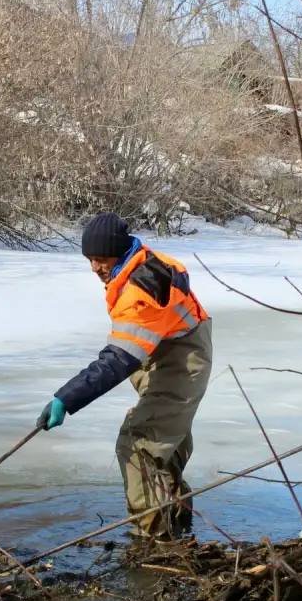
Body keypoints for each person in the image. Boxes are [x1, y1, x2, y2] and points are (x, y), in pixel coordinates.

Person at [37, 213, 213, 538]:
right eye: (90, 260)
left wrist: (67, 398)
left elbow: (118, 361)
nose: (95, 268)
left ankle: (155, 540)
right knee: (163, 443)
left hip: (181, 362)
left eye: (101, 259)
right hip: (169, 352)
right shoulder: (139, 263)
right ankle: (178, 526)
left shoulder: (142, 290)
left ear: (119, 253)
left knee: (138, 444)